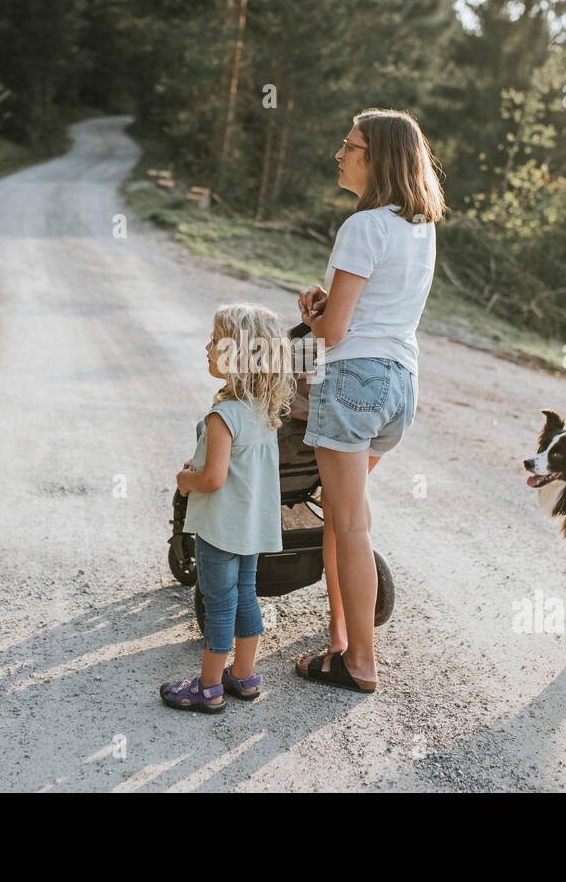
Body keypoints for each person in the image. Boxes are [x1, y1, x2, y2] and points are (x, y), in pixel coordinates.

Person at [296, 108, 445, 693]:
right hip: (399, 387)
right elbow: (377, 309)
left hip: (355, 380)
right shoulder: (418, 226)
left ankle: (360, 659)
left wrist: (311, 312)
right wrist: (328, 308)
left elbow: (332, 332)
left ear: (376, 157)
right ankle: (339, 638)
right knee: (341, 517)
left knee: (350, 523)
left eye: (349, 145)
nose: (340, 153)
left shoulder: (362, 226)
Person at [163, 304, 296, 712]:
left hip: (220, 531)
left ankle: (207, 687)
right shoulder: (263, 413)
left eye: (214, 341)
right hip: (250, 530)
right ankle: (243, 675)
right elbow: (238, 471)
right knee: (246, 595)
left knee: (218, 603)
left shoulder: (223, 416)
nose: (206, 347)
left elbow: (212, 480)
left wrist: (185, 481)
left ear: (237, 355)